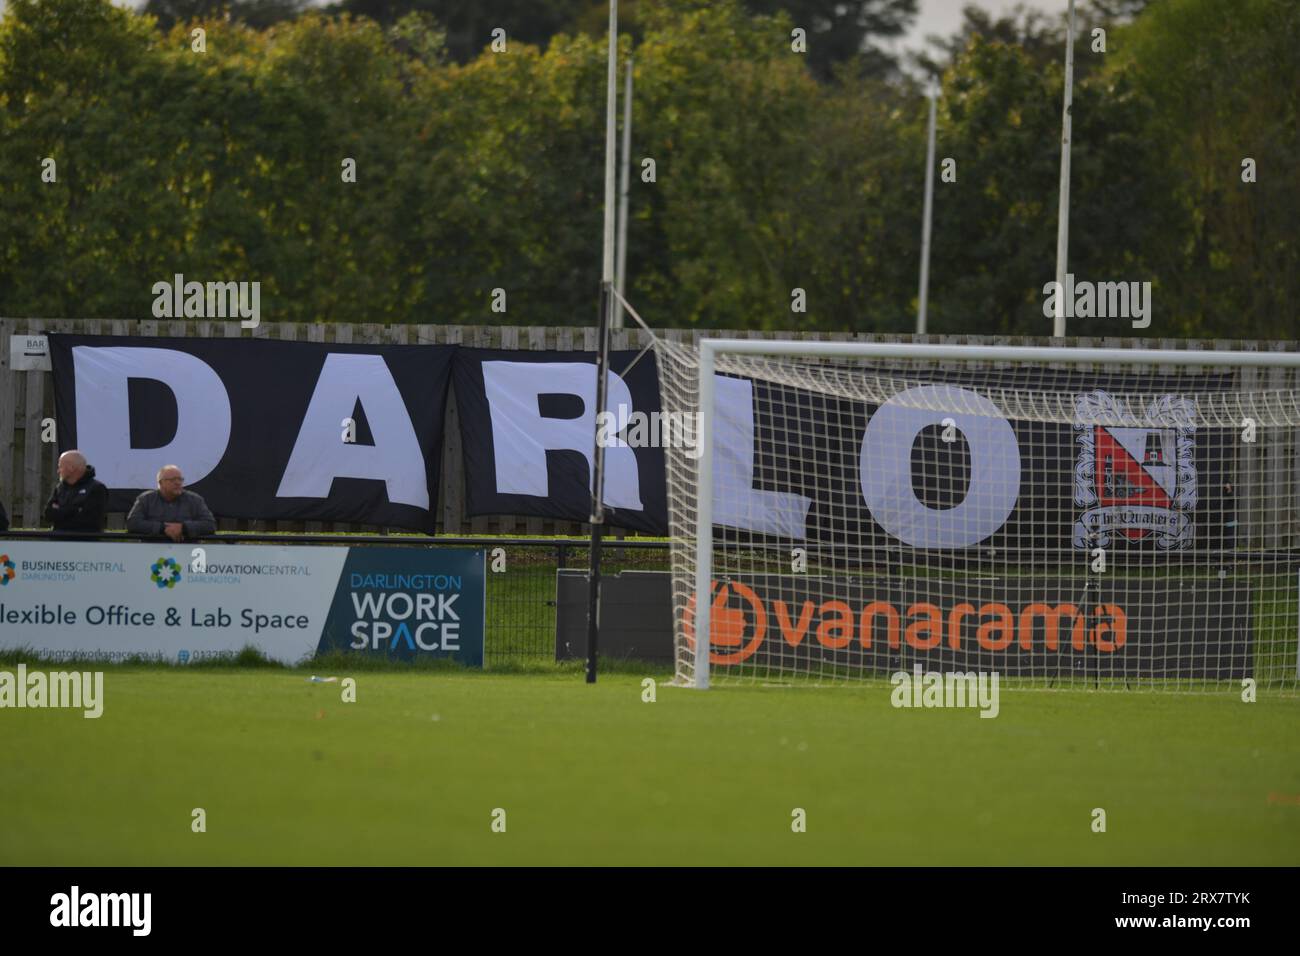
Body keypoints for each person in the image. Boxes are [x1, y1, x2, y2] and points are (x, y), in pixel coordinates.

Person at [126, 465, 216, 542]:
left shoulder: (195, 500)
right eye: (172, 480)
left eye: (180, 479)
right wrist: (163, 528)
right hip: (152, 552)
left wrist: (183, 528)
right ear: (160, 483)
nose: (178, 483)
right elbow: (132, 523)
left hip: (187, 552)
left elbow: (210, 525)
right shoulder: (146, 499)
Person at [44, 450, 108, 533]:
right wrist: (74, 510)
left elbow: (89, 521)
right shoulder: (60, 487)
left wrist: (60, 511)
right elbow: (48, 514)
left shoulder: (97, 488)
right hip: (58, 541)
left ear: (71, 468)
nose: (58, 471)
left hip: (85, 542)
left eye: (60, 467)